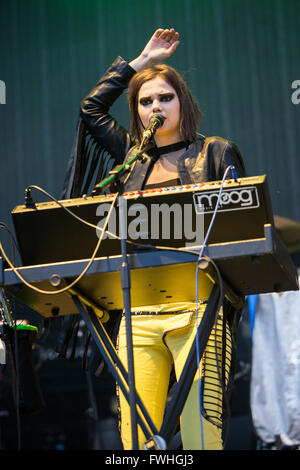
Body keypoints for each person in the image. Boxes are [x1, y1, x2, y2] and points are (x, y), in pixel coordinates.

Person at [63, 28, 246, 450]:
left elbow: (240, 228)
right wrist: (140, 61)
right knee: (138, 444)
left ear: (183, 102)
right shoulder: (130, 159)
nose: (156, 107)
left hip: (200, 309)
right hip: (138, 316)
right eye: (146, 101)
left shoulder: (215, 153)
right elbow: (90, 108)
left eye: (165, 97)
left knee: (202, 438)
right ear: (137, 111)